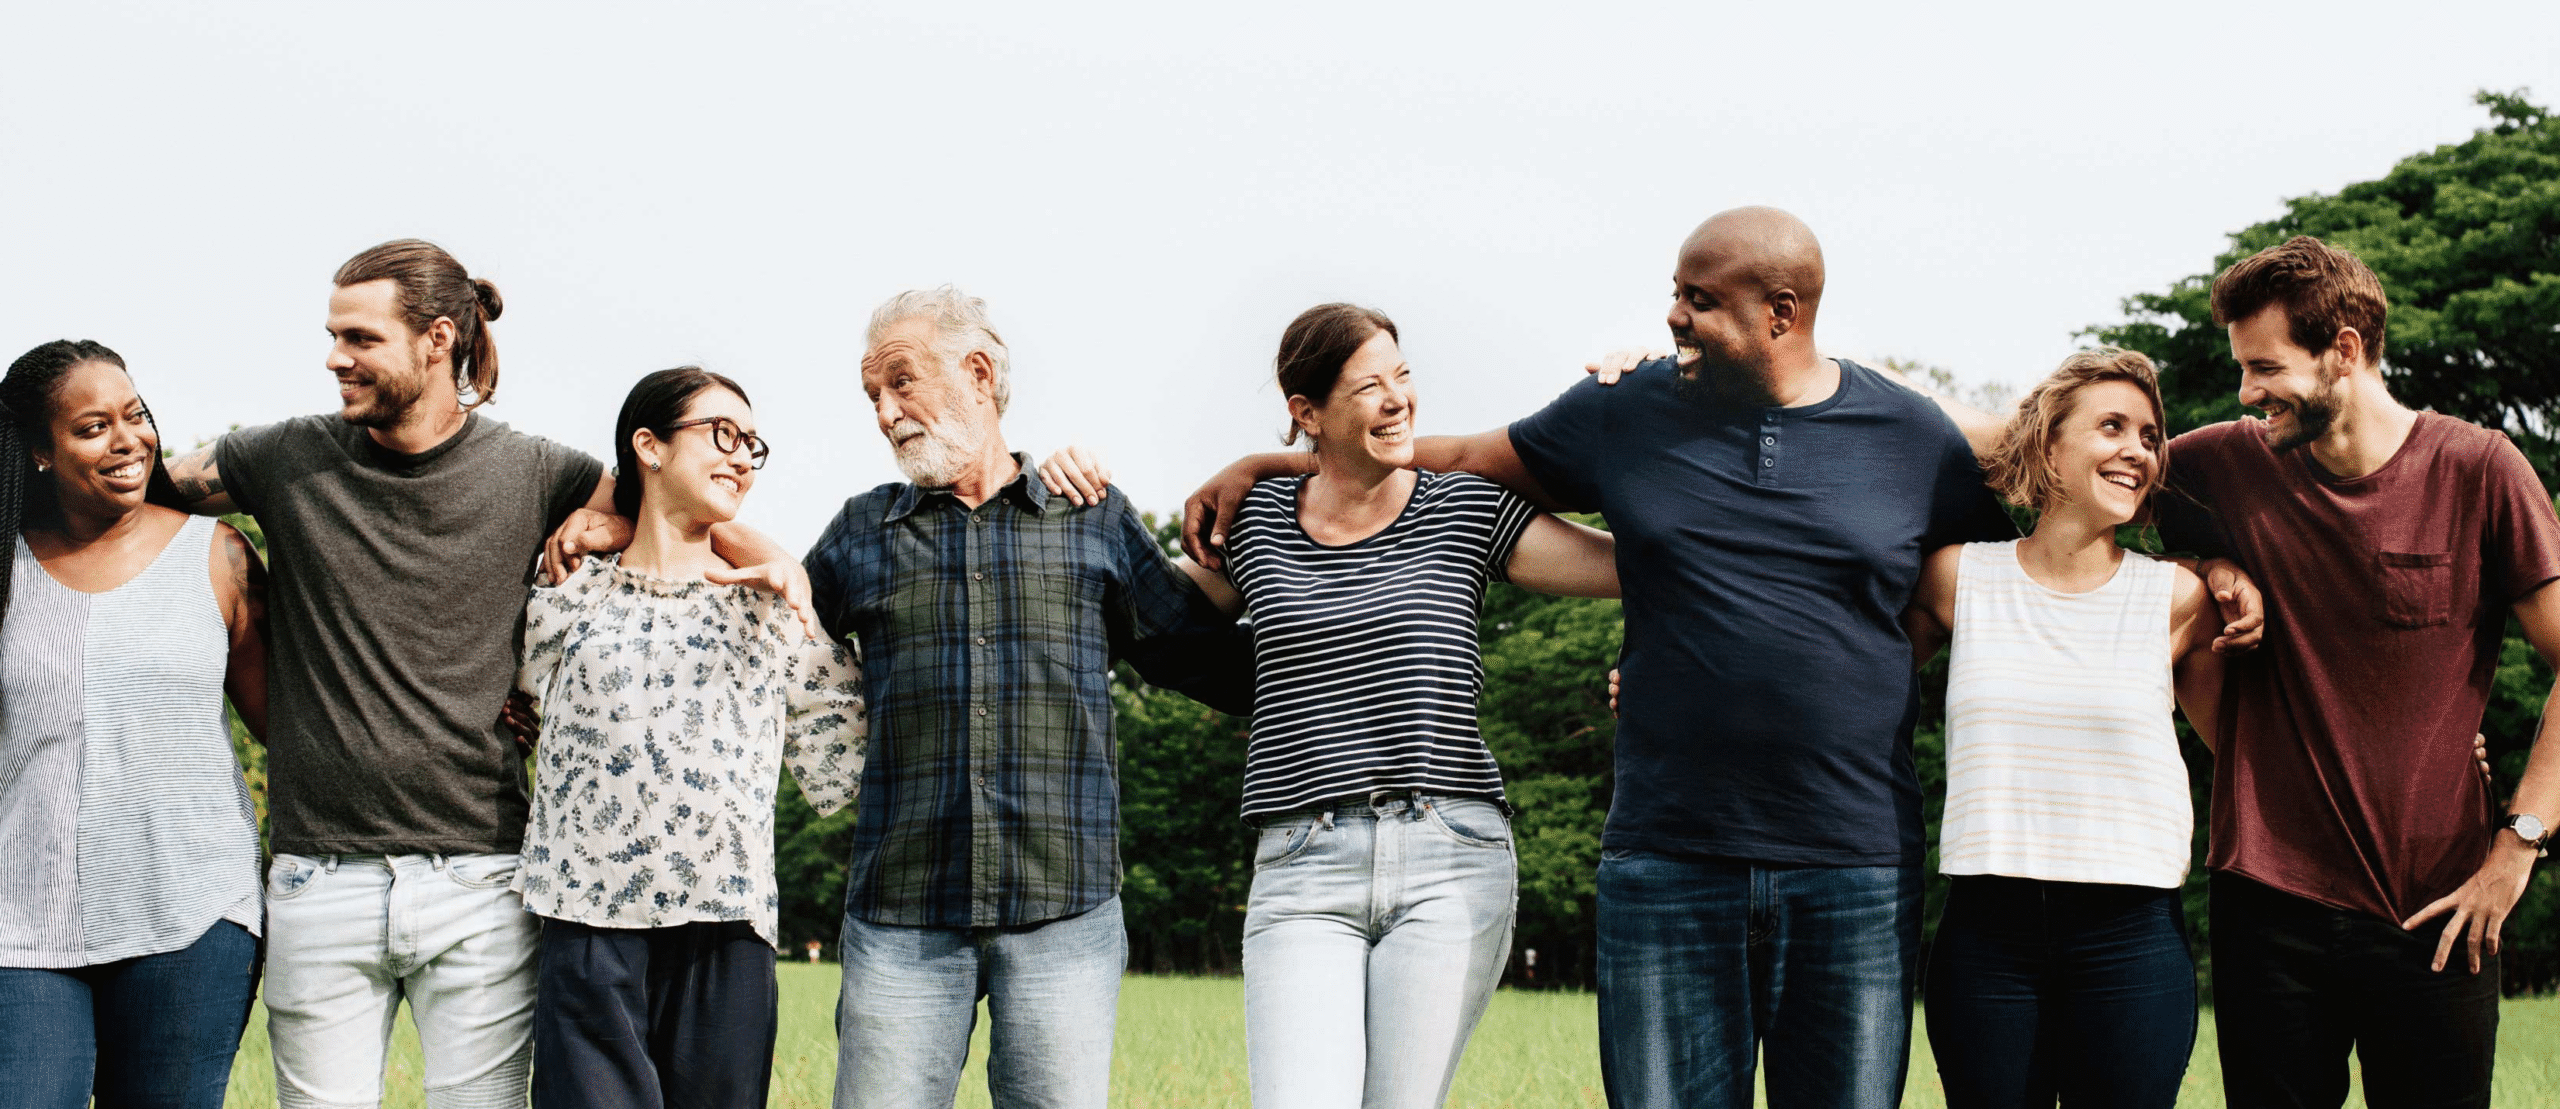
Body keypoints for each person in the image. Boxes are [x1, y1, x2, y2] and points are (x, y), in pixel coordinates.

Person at [1183, 208, 2024, 1108]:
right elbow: (1468, 456)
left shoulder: (1909, 434)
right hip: (1667, 858)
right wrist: (1280, 462)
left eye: (1699, 300)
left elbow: (1983, 575)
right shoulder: (1626, 409)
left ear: (1781, 312)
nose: (1673, 316)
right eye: (1675, 293)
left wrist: (1887, 668)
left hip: (1854, 861)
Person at [164, 239, 803, 1109]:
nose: (334, 356)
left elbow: (679, 503)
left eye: (359, 337)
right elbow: (133, 490)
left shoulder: (541, 471)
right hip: (319, 875)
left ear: (436, 339)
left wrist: (770, 557)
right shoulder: (284, 458)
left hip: (481, 879)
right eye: (332, 334)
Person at [803, 286, 1255, 1109]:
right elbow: (753, 655)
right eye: (872, 394)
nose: (884, 411)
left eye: (900, 382)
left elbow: (1214, 663)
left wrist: (1313, 543)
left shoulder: (1093, 519)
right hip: (901, 911)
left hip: (1064, 912)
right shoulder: (859, 533)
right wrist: (615, 517)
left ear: (978, 373)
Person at [1158, 304, 1617, 1109]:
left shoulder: (1465, 507)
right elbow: (1149, 607)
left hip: (1451, 854)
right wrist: (1070, 512)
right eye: (1368, 386)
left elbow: (1631, 568)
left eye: (1402, 376)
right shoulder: (1259, 519)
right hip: (1303, 862)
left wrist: (1659, 418)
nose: (1398, 398)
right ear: (1307, 412)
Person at [2143, 237, 2560, 1108]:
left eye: (2264, 367)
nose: (2247, 392)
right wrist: (2211, 565)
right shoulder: (2218, 465)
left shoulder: (2481, 470)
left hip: (2438, 907)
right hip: (2266, 899)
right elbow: (2079, 479)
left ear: (2344, 348)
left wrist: (2517, 847)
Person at [515, 367, 865, 1109]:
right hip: (587, 927)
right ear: (648, 445)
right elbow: (513, 716)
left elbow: (855, 758)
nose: (743, 456)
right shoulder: (565, 597)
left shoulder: (776, 612)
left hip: (727, 930)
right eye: (722, 434)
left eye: (753, 444)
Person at [1899, 348, 2223, 1108]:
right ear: (2048, 445)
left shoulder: (2178, 597)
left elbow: (2249, 747)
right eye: (2111, 426)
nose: (2137, 450)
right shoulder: (1956, 577)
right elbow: (1836, 676)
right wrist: (1674, 686)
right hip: (1988, 933)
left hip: (2131, 934)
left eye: (2149, 435)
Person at [0, 340, 269, 1109]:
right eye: (92, 427)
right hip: (20, 919)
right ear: (39, 452)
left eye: (136, 416)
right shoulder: (4, 566)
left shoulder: (215, 556)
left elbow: (291, 726)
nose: (128, 441)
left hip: (190, 914)